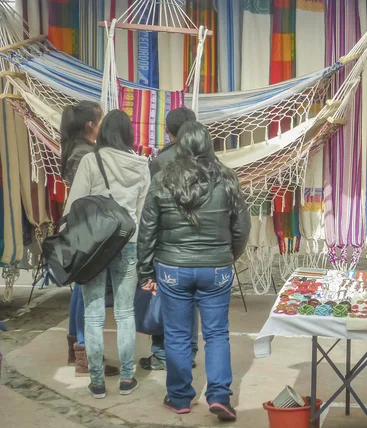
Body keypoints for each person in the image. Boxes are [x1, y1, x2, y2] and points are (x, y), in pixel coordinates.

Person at [137, 122, 250, 420]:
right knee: (216, 334)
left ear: (181, 146)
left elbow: (147, 228)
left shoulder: (163, 179)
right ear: (209, 145)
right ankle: (219, 396)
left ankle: (179, 398)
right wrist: (228, 255)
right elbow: (242, 227)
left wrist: (145, 272)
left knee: (176, 334)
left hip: (173, 267)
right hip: (217, 268)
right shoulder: (227, 178)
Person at [64, 109, 150, 399]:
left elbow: (74, 206)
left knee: (94, 313)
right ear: (128, 134)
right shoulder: (142, 165)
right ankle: (127, 378)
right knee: (126, 313)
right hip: (129, 243)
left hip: (96, 244)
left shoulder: (91, 160)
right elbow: (143, 212)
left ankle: (97, 382)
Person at [60, 101, 119, 378]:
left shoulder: (77, 150)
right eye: (101, 119)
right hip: (87, 228)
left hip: (81, 227)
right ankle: (85, 355)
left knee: (81, 289)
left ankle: (76, 349)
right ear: (91, 125)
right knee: (87, 294)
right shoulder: (85, 155)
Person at [139, 107, 199, 371]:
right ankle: (190, 351)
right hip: (201, 245)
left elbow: (151, 212)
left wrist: (146, 260)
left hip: (169, 244)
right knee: (193, 299)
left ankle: (162, 354)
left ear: (168, 131)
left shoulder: (161, 161)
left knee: (164, 297)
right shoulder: (206, 158)